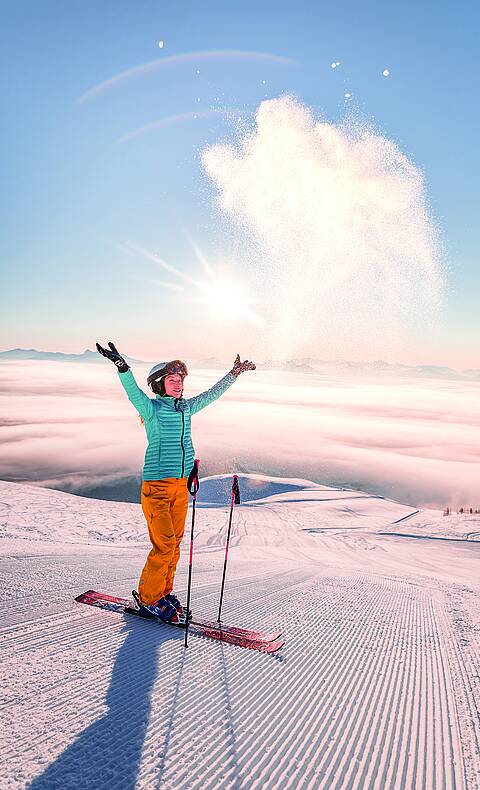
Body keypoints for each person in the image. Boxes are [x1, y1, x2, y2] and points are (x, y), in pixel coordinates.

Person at [96, 341, 256, 623]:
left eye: (180, 380)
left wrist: (234, 374)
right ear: (159, 385)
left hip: (181, 486)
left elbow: (211, 394)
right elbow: (133, 393)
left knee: (176, 544)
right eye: (171, 380)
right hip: (156, 487)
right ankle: (148, 599)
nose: (178, 384)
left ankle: (163, 593)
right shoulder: (152, 410)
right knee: (164, 545)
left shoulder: (187, 408)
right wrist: (123, 368)